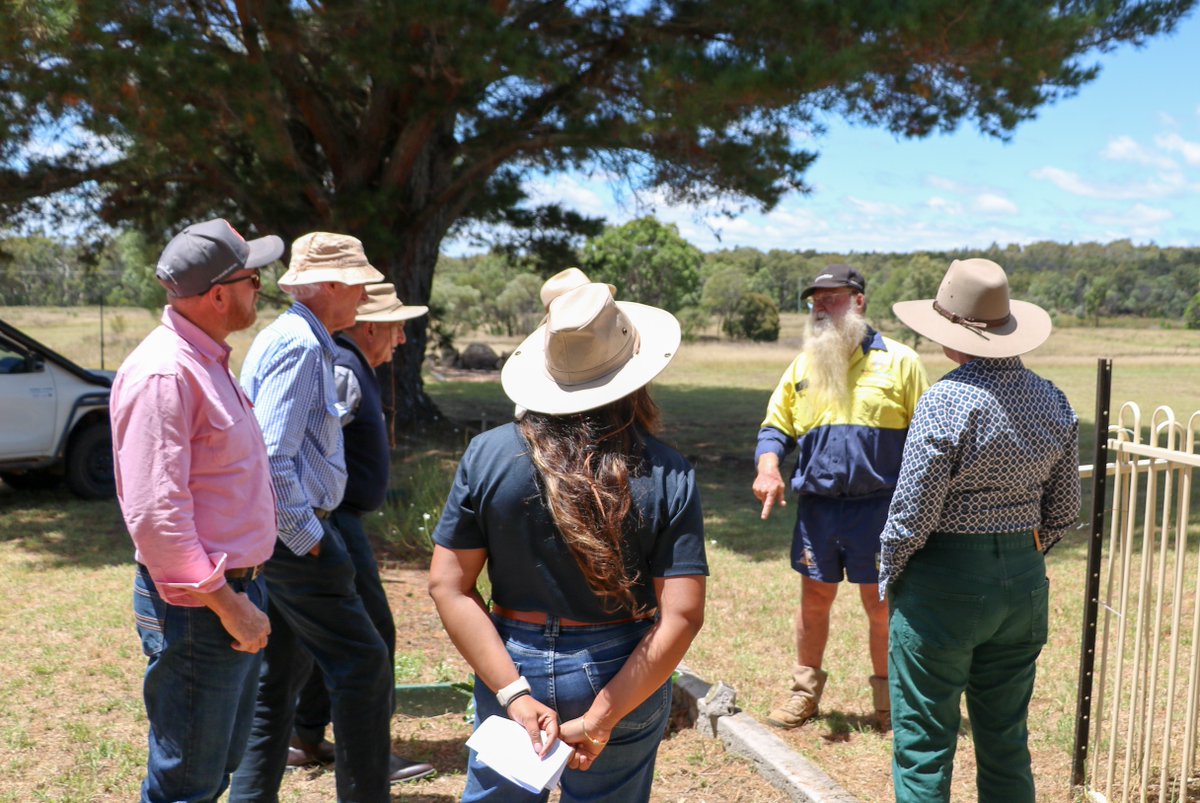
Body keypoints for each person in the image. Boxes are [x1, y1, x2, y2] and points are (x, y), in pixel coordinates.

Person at [428, 281, 708, 801]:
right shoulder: (669, 472)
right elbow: (683, 616)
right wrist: (604, 714)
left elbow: (448, 586)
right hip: (624, 669)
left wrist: (512, 693)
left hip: (510, 662)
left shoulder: (486, 455)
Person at [881, 258, 1080, 802]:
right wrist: (1018, 552)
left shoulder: (946, 401)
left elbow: (912, 513)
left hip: (943, 583)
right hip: (1023, 581)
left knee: (924, 743)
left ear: (952, 335)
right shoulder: (1053, 399)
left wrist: (890, 574)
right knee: (1006, 738)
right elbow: (1063, 510)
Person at [110, 218, 283, 802]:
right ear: (217, 295)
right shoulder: (166, 371)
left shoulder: (202, 360)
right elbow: (157, 517)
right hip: (202, 608)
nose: (261, 288)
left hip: (225, 597)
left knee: (211, 774)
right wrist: (229, 605)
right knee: (187, 784)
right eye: (254, 279)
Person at [228, 232, 393, 803]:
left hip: (280, 540)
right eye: (356, 281)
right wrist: (312, 539)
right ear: (327, 286)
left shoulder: (299, 337)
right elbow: (273, 455)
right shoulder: (301, 345)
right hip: (295, 540)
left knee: (280, 679)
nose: (364, 292)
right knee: (364, 667)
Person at [752, 264, 928, 730]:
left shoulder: (902, 362)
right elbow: (776, 427)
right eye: (815, 301)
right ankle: (803, 693)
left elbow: (929, 441)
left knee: (881, 605)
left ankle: (890, 704)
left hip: (881, 508)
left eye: (832, 298)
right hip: (819, 509)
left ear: (859, 302)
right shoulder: (803, 366)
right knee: (814, 600)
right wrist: (768, 466)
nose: (821, 309)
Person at [287, 282, 435, 783]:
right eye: (395, 329)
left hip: (338, 518)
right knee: (372, 635)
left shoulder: (349, 365)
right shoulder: (346, 370)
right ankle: (369, 757)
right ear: (370, 327)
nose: (401, 341)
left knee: (325, 638)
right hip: (336, 521)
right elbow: (314, 435)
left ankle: (304, 735)